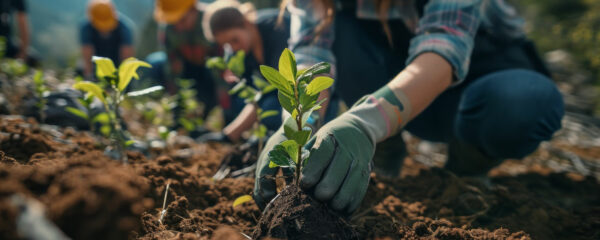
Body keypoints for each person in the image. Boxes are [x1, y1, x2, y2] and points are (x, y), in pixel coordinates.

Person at [254, 0, 565, 214]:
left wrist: (363, 123)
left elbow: (444, 48)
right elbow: (312, 54)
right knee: (341, 31)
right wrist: (295, 125)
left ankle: (465, 170)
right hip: (396, 97)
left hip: (474, 92)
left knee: (524, 101)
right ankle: (385, 149)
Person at [197, 0, 289, 143]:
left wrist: (231, 134)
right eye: (226, 45)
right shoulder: (242, 53)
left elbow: (278, 89)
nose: (233, 48)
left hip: (307, 101)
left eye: (234, 40)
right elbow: (253, 95)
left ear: (247, 23)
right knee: (239, 100)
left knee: (270, 107)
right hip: (274, 98)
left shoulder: (278, 29)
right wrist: (228, 135)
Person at [151, 0, 218, 115]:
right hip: (188, 69)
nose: (178, 26)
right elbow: (172, 67)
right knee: (155, 63)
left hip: (210, 72)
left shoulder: (212, 20)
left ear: (193, 9)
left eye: (182, 20)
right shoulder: (168, 29)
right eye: (173, 21)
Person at [80, 0, 134, 79]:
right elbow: (87, 52)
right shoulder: (86, 28)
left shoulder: (124, 28)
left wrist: (123, 78)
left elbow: (126, 56)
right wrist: (89, 76)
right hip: (95, 63)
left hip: (117, 63)